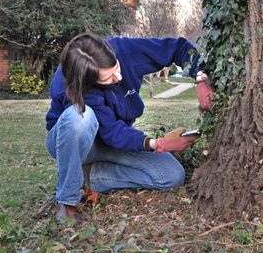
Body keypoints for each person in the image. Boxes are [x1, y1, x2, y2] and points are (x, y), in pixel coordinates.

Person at [45, 33, 213, 223]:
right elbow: (112, 132)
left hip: (110, 141)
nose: (119, 77)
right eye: (108, 78)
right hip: (73, 141)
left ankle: (91, 176)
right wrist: (156, 143)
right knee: (80, 117)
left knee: (171, 175)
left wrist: (200, 77)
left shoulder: (126, 50)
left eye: (116, 67)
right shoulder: (70, 83)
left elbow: (178, 48)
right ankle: (67, 202)